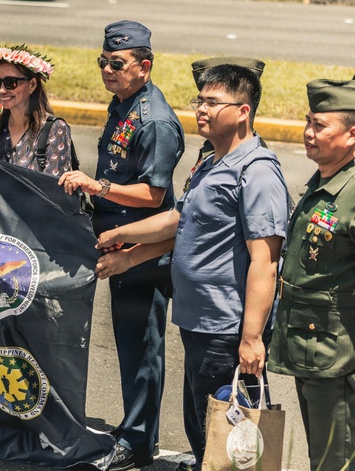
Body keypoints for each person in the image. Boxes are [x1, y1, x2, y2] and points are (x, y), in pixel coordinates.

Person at [95, 64, 288, 469]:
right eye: (199, 100)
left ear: (243, 112)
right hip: (199, 320)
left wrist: (252, 338)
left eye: (212, 102)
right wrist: (125, 248)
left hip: (226, 328)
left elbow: (265, 261)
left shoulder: (257, 172)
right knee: (204, 426)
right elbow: (177, 222)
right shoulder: (213, 163)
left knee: (229, 437)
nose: (201, 108)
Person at [58, 21, 184, 471]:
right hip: (118, 242)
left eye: (117, 63)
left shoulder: (155, 120)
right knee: (131, 344)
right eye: (103, 62)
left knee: (142, 349)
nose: (107, 70)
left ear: (144, 66)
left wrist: (98, 186)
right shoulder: (126, 103)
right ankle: (134, 429)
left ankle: (137, 442)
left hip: (144, 249)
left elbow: (153, 193)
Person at [266, 80, 355, 471]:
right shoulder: (324, 182)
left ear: (352, 135)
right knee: (322, 461)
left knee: (337, 463)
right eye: (308, 122)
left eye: (321, 125)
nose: (309, 133)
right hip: (313, 351)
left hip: (342, 356)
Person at [0, 44, 74, 177]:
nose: (2, 90)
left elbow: (54, 189)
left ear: (32, 84)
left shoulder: (54, 129)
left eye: (11, 82)